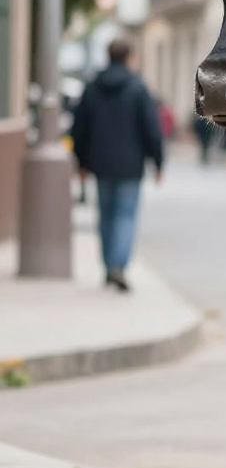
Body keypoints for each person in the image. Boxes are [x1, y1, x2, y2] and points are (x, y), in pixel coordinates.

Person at [70, 38, 163, 292]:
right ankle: (118, 266)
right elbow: (151, 129)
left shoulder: (92, 88)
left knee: (106, 215)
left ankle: (109, 264)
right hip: (130, 165)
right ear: (128, 57)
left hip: (100, 164)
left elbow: (79, 128)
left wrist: (81, 161)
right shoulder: (137, 88)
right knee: (125, 215)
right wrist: (158, 162)